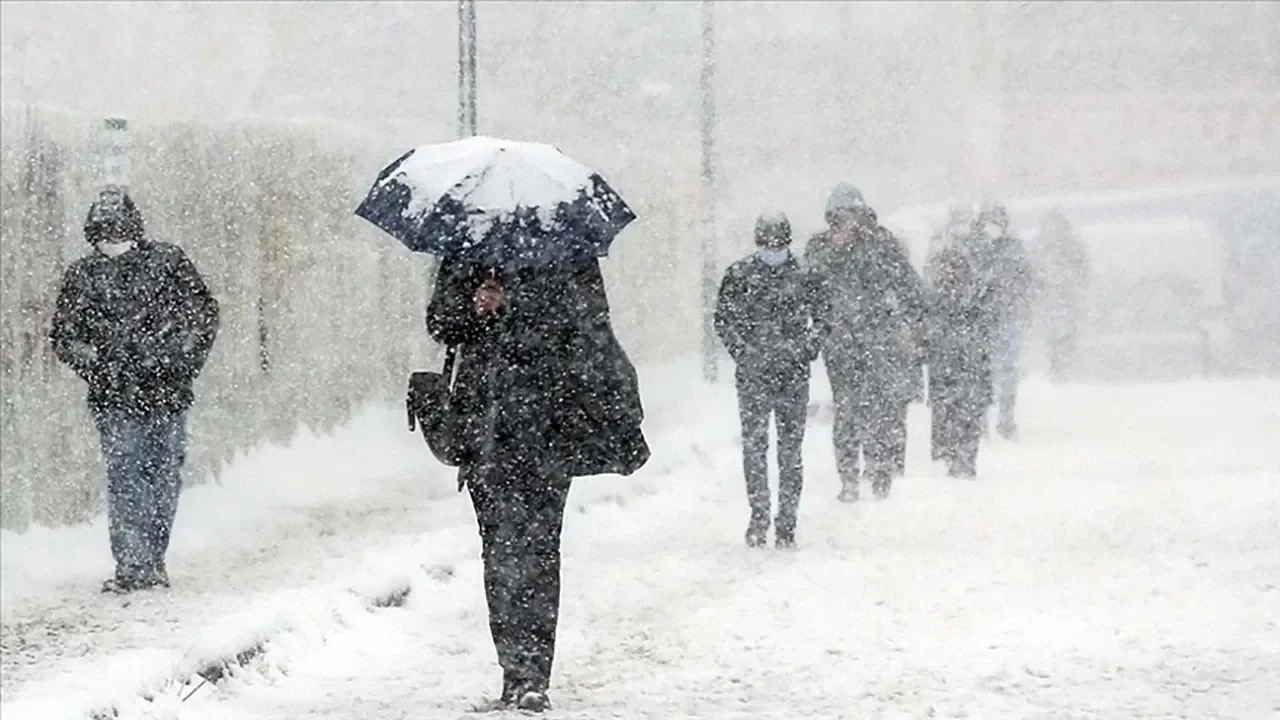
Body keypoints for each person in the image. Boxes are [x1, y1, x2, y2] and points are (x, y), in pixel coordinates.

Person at [427, 253, 649, 713]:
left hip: (549, 425)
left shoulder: (570, 254)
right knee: (498, 550)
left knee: (540, 550)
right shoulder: (467, 252)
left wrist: (520, 306)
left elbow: (590, 329)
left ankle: (533, 675)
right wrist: (474, 308)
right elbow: (440, 323)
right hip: (483, 429)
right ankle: (514, 669)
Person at [50, 186, 220, 593]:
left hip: (167, 392)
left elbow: (202, 318)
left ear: (134, 227)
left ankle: (151, 560)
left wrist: (174, 359)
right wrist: (101, 364)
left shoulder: (169, 263)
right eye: (103, 231)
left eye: (118, 228)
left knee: (161, 478)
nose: (112, 238)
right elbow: (65, 336)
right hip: (115, 397)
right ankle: (131, 565)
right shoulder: (82, 276)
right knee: (127, 476)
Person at [806, 183, 926, 502]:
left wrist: (912, 326)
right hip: (840, 343)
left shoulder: (881, 243)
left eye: (851, 215)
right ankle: (848, 476)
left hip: (879, 340)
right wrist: (835, 249)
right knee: (847, 410)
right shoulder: (820, 246)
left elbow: (909, 286)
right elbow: (809, 285)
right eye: (839, 217)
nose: (846, 223)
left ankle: (880, 469)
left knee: (880, 408)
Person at [714, 212, 826, 549]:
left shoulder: (806, 275)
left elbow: (824, 318)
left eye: (778, 243)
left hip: (792, 375)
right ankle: (759, 516)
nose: (772, 249)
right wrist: (745, 352)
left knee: (790, 451)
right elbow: (724, 320)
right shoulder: (739, 275)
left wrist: (805, 348)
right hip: (754, 375)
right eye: (767, 243)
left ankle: (787, 522)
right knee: (755, 448)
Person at [924, 240, 996, 479]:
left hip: (969, 364)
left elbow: (985, 325)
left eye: (952, 266)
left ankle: (965, 458)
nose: (948, 272)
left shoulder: (975, 293)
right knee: (948, 413)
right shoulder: (934, 294)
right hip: (947, 365)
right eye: (944, 267)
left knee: (968, 413)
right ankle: (953, 456)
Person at [975, 202, 1034, 439]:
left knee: (1007, 370)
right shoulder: (975, 248)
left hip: (1007, 316)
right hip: (981, 318)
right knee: (981, 371)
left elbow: (1026, 279)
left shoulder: (1013, 249)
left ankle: (1005, 419)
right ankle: (981, 421)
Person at [1034, 209, 1090, 382]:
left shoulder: (1070, 246)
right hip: (1054, 297)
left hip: (1065, 295)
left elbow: (1082, 270)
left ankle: (1063, 364)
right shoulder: (1043, 246)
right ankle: (1058, 365)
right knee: (1055, 332)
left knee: (1065, 331)